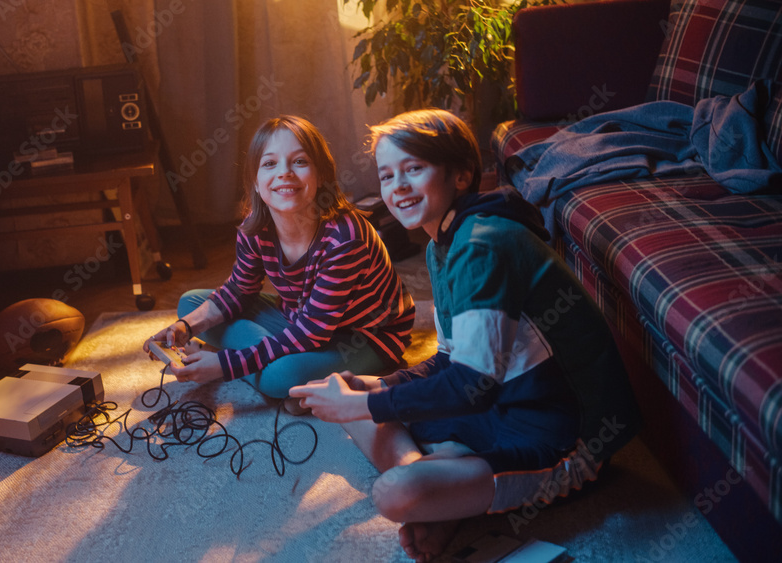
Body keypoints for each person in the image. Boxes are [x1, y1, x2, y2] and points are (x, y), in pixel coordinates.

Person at [289, 109, 641, 562]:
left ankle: (442, 496)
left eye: (414, 169)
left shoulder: (481, 245)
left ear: (461, 175)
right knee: (354, 399)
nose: (396, 186)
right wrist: (378, 388)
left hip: (564, 436)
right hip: (500, 406)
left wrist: (364, 404)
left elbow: (472, 385)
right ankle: (446, 498)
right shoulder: (443, 244)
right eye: (387, 174)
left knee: (394, 492)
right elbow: (447, 360)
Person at [145, 115, 415, 404]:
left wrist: (225, 365)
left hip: (364, 336)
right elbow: (240, 289)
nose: (284, 172)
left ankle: (265, 365)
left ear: (321, 174)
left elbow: (313, 333)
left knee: (278, 377)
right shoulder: (255, 227)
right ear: (257, 183)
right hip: (299, 320)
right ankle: (271, 362)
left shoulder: (346, 238)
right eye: (270, 164)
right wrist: (185, 328)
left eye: (299, 162)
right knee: (190, 305)